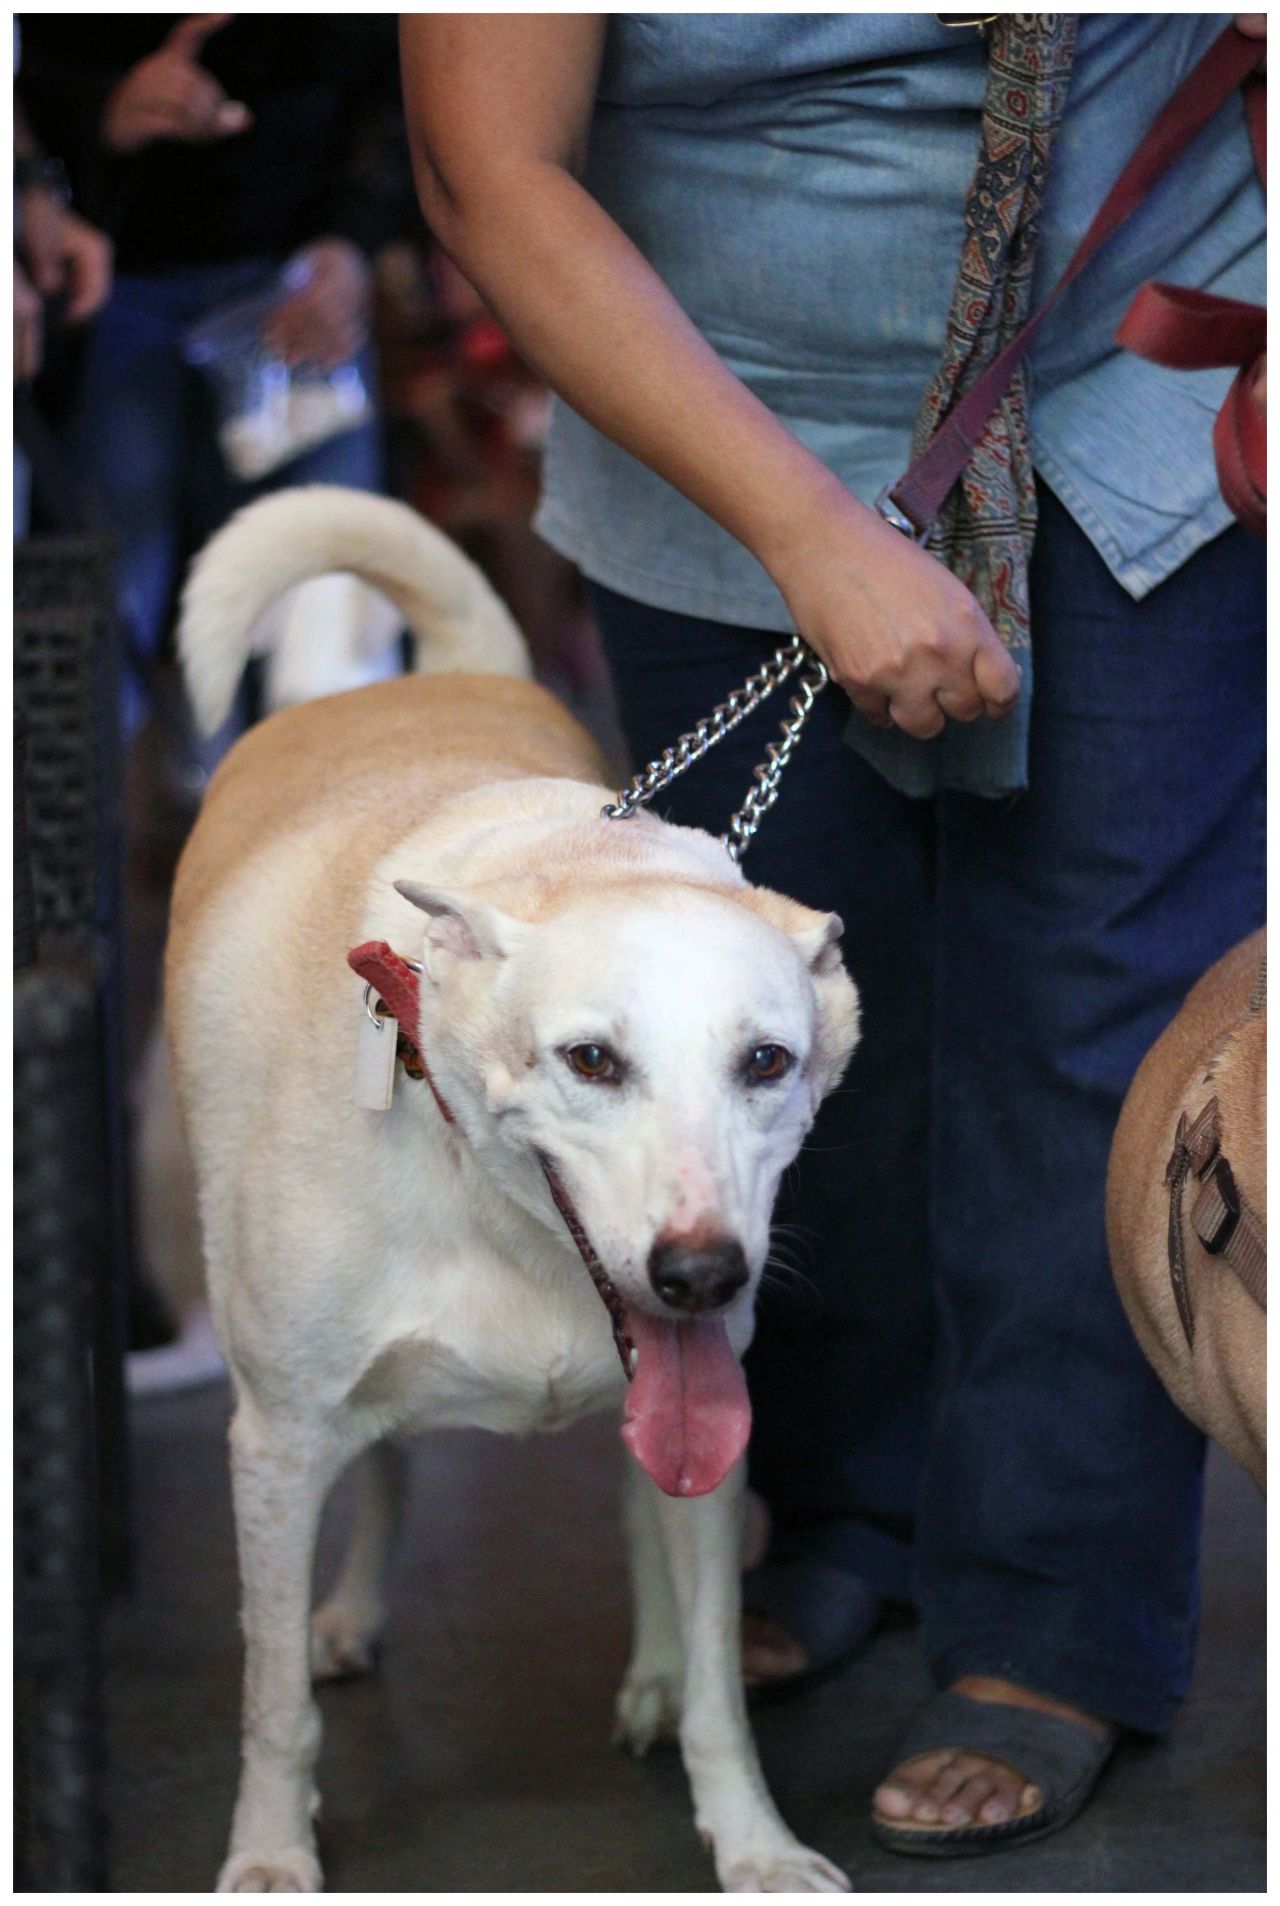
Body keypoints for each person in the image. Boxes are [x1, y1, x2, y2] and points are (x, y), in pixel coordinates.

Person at [400, 13, 1265, 1858]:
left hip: (1151, 381)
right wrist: (813, 532)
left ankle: (1056, 1614)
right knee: (766, 1044)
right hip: (719, 426)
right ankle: (847, 1504)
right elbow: (486, 168)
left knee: (1096, 1035)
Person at [18, 13, 413, 739]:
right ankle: (126, 824)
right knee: (114, 611)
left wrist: (352, 238)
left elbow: (394, 83)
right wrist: (101, 109)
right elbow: (30, 75)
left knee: (331, 616)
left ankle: (324, 813)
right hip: (115, 282)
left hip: (297, 282)